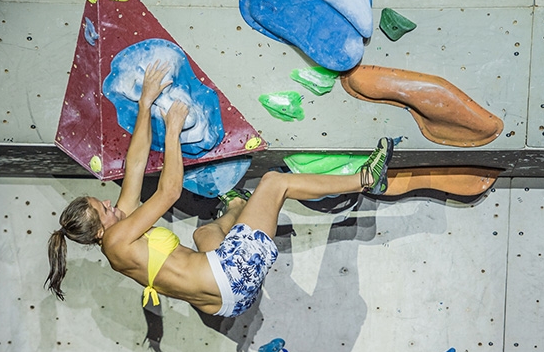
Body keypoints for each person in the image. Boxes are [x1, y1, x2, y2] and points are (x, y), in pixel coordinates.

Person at [45, 60, 395, 317]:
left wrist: (145, 103)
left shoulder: (117, 236)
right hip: (231, 275)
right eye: (103, 207)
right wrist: (172, 129)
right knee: (275, 183)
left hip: (227, 305)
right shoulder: (119, 238)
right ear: (99, 232)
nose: (110, 203)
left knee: (204, 235)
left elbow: (134, 165)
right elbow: (168, 193)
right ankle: (367, 178)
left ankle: (236, 207)